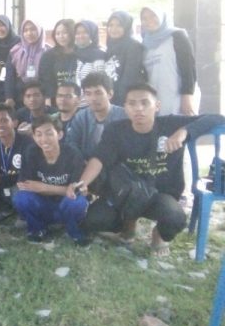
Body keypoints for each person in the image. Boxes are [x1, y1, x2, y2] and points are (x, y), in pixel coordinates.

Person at [74, 83, 224, 255]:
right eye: (132, 103)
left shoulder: (171, 124)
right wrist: (83, 182)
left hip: (160, 195)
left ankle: (158, 234)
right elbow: (99, 158)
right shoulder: (116, 130)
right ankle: (127, 228)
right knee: (93, 221)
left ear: (157, 106)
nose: (138, 108)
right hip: (125, 192)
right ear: (125, 107)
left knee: (175, 218)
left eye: (145, 103)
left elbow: (218, 118)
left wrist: (184, 132)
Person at [13, 116, 88, 244]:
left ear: (60, 134)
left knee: (77, 201)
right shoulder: (31, 152)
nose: (44, 139)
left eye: (49, 134)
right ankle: (37, 229)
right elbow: (24, 185)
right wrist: (64, 189)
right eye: (39, 134)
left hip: (65, 204)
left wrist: (44, 187)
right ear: (34, 137)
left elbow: (76, 190)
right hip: (43, 205)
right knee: (21, 198)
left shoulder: (72, 153)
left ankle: (73, 231)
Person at [140, 6, 197, 116]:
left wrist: (187, 95)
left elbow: (189, 68)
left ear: (161, 17)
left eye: (153, 16)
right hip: (154, 98)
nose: (148, 21)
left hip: (177, 96)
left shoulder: (177, 36)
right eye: (144, 18)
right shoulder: (145, 44)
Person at [65, 71, 126, 161]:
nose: (93, 98)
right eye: (88, 94)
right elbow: (71, 144)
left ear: (110, 94)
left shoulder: (124, 116)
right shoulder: (81, 117)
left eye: (98, 93)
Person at [104, 11, 145, 106]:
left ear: (126, 27)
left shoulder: (133, 46)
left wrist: (119, 103)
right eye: (111, 25)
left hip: (123, 100)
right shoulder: (110, 45)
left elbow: (129, 78)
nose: (114, 29)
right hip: (110, 99)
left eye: (119, 25)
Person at [5, 19, 48, 107]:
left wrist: (48, 98)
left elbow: (50, 79)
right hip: (19, 98)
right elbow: (9, 76)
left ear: (39, 30)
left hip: (42, 98)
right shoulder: (15, 51)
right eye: (25, 30)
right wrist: (9, 97)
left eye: (33, 29)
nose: (29, 33)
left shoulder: (48, 52)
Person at [38, 19, 77, 105]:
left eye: (65, 33)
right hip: (56, 100)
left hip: (78, 99)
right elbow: (45, 80)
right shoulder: (48, 55)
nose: (61, 36)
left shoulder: (80, 53)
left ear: (72, 33)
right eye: (57, 33)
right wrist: (48, 98)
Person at [73, 20, 106, 88]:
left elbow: (100, 82)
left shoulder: (99, 55)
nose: (81, 36)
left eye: (85, 32)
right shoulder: (74, 53)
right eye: (77, 33)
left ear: (92, 33)